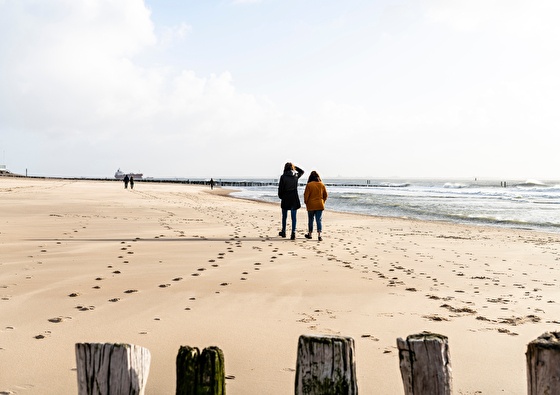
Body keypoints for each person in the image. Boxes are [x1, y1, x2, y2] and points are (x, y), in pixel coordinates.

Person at [278, 162, 304, 240]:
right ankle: (293, 232)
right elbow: (302, 171)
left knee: (284, 216)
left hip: (286, 197)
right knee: (294, 217)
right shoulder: (295, 176)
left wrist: (280, 196)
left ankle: (284, 231)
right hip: (294, 198)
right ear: (292, 168)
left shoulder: (283, 177)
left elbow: (281, 188)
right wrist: (294, 167)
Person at [304, 171, 328, 241]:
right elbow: (325, 195)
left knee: (310, 219)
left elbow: (306, 196)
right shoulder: (322, 185)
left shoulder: (309, 185)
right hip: (319, 204)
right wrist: (323, 201)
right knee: (319, 220)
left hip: (311, 205)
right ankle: (319, 235)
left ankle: (310, 234)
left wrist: (306, 203)